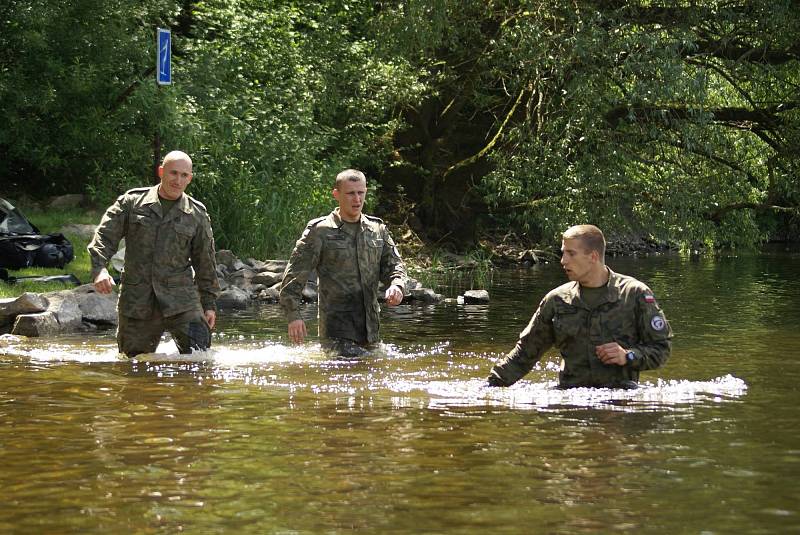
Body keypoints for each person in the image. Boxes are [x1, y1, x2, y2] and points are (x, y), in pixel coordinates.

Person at [487, 224, 672, 389]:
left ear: (593, 256)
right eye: (563, 253)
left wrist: (628, 356)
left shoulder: (634, 294)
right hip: (570, 401)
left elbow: (661, 348)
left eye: (571, 253)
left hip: (620, 402)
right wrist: (490, 387)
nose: (563, 261)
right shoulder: (557, 300)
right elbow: (524, 354)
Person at [87, 150, 220, 357]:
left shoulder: (196, 214)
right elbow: (104, 237)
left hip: (181, 302)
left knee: (200, 360)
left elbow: (205, 262)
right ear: (161, 171)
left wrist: (209, 304)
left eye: (184, 175)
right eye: (173, 173)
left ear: (190, 178)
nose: (178, 180)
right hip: (138, 301)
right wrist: (99, 269)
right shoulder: (131, 203)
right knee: (132, 366)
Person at [280, 169, 406, 356]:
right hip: (336, 332)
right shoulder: (320, 231)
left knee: (381, 368)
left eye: (360, 192)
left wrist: (397, 286)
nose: (357, 199)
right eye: (350, 193)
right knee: (360, 365)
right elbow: (293, 276)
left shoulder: (377, 229)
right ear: (336, 195)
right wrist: (293, 316)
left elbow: (395, 265)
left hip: (370, 330)